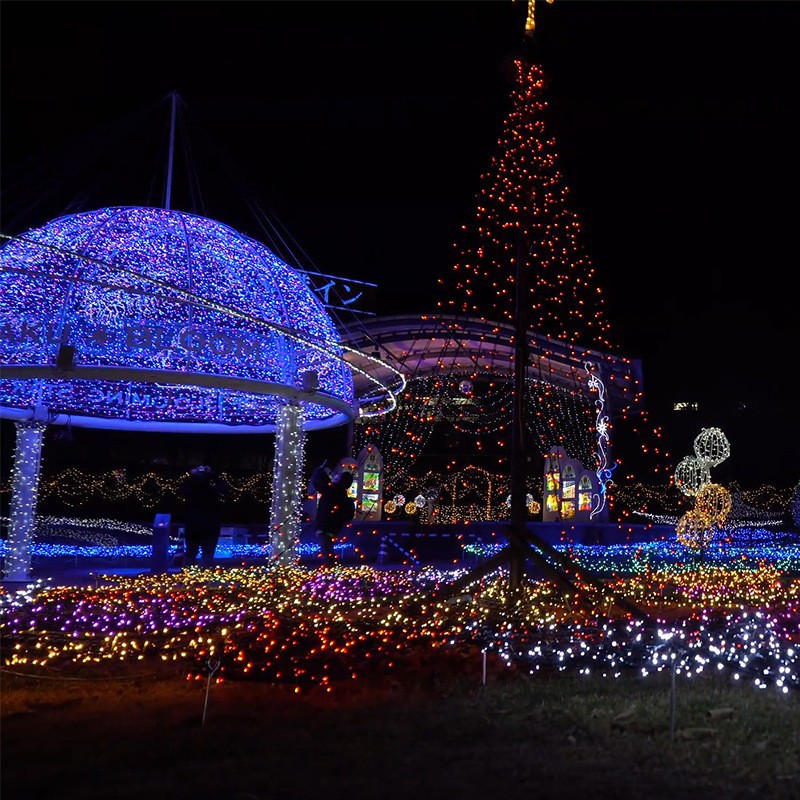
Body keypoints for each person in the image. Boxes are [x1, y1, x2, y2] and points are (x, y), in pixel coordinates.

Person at [178, 465, 227, 567]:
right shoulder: (212, 491)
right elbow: (223, 486)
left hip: (193, 525)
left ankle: (187, 574)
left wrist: (192, 476)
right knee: (207, 553)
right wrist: (212, 474)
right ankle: (205, 574)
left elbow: (182, 489)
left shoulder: (191, 491)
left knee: (191, 552)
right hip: (210, 525)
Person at [310, 461, 355, 565]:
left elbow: (320, 482)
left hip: (326, 526)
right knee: (328, 550)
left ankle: (329, 571)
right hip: (333, 527)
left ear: (340, 480)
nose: (335, 476)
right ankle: (330, 568)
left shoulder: (334, 490)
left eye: (338, 476)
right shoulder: (341, 494)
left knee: (326, 551)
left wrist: (319, 470)